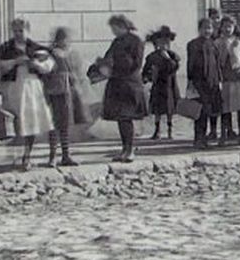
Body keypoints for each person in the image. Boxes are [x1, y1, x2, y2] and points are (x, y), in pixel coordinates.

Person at [0, 18, 54, 170]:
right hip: (13, 85)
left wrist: (34, 63)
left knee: (30, 120)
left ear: (28, 31)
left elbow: (48, 66)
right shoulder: (6, 47)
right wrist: (15, 62)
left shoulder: (36, 48)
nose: (18, 34)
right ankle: (13, 155)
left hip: (31, 86)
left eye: (21, 30)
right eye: (15, 31)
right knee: (14, 120)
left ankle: (26, 156)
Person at [96, 15, 147, 163]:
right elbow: (108, 56)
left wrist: (118, 65)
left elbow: (136, 64)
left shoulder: (136, 41)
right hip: (117, 83)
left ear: (123, 26)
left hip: (129, 84)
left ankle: (130, 150)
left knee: (126, 118)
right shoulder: (116, 41)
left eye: (115, 28)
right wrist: (102, 64)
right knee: (120, 118)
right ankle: (124, 149)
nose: (113, 31)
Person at [45, 27, 84, 167]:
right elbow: (45, 71)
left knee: (65, 124)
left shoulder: (71, 54)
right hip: (54, 91)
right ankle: (52, 156)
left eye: (68, 39)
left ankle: (66, 155)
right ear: (58, 40)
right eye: (64, 39)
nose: (67, 42)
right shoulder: (51, 54)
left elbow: (76, 72)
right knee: (54, 124)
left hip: (68, 91)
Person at [185, 17, 222, 148]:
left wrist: (220, 80)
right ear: (199, 29)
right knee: (199, 111)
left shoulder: (214, 44)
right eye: (204, 28)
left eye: (210, 28)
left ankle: (206, 137)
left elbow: (217, 64)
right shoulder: (193, 44)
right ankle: (198, 138)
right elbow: (190, 64)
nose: (207, 31)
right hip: (199, 82)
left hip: (212, 82)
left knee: (209, 110)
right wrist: (190, 81)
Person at [142, 26, 182, 140]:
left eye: (166, 42)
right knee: (157, 109)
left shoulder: (173, 55)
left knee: (169, 109)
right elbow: (146, 70)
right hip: (158, 85)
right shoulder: (152, 56)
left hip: (170, 85)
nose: (163, 44)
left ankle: (170, 130)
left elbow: (174, 67)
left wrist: (168, 58)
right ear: (156, 43)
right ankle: (157, 130)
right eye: (160, 42)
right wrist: (147, 77)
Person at [215, 16, 240, 144]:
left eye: (230, 26)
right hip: (224, 79)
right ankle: (225, 134)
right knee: (225, 108)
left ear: (234, 28)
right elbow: (216, 61)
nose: (227, 29)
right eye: (225, 26)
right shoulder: (217, 43)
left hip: (237, 79)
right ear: (221, 28)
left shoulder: (239, 43)